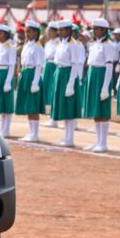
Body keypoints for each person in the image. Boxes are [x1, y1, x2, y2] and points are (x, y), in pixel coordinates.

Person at [81, 19, 115, 153]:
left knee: (102, 109)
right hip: (92, 74)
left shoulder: (108, 45)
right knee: (95, 109)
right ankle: (97, 141)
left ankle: (103, 143)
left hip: (101, 76)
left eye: (97, 29)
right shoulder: (94, 44)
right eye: (94, 29)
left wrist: (105, 87)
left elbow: (109, 66)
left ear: (104, 30)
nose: (94, 31)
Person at [50, 19, 81, 147]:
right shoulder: (61, 43)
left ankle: (70, 138)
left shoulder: (73, 45)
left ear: (69, 30)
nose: (60, 32)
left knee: (69, 107)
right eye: (60, 30)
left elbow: (74, 65)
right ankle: (66, 136)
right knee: (63, 106)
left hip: (68, 75)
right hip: (60, 73)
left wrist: (70, 84)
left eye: (62, 30)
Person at [16, 21, 45, 142]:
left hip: (33, 75)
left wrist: (35, 82)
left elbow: (39, 65)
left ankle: (35, 134)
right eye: (26, 31)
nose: (27, 33)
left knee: (33, 105)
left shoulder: (38, 47)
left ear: (36, 33)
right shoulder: (26, 45)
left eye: (29, 31)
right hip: (25, 73)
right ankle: (31, 132)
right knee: (28, 105)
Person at [0, 24, 17, 138]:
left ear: (6, 34)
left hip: (6, 73)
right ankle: (2, 127)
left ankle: (6, 129)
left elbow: (12, 65)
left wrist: (8, 81)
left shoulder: (10, 47)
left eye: (0, 33)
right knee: (1, 102)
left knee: (7, 103)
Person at [41, 21, 60, 128]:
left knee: (53, 91)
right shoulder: (48, 43)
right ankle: (51, 117)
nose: (48, 33)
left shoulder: (59, 43)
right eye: (48, 31)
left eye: (50, 31)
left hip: (54, 66)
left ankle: (54, 118)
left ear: (55, 32)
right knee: (47, 90)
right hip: (47, 66)